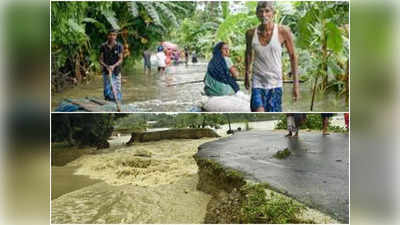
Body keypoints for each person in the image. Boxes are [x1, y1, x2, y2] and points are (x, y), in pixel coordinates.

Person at [245, 1, 299, 112]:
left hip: (275, 83)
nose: (264, 15)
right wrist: (246, 73)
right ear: (257, 14)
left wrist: (296, 86)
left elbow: (293, 56)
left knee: (273, 111)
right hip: (257, 81)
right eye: (261, 11)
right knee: (258, 110)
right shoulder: (250, 33)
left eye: (267, 11)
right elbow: (248, 53)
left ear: (273, 13)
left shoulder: (283, 31)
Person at [99, 29, 123, 101]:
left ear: (116, 36)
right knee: (107, 88)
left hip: (116, 71)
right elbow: (100, 59)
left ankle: (117, 102)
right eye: (110, 35)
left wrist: (113, 66)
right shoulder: (103, 46)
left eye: (114, 35)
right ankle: (107, 101)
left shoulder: (119, 46)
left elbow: (121, 59)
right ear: (108, 36)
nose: (112, 37)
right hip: (106, 72)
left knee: (117, 89)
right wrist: (106, 66)